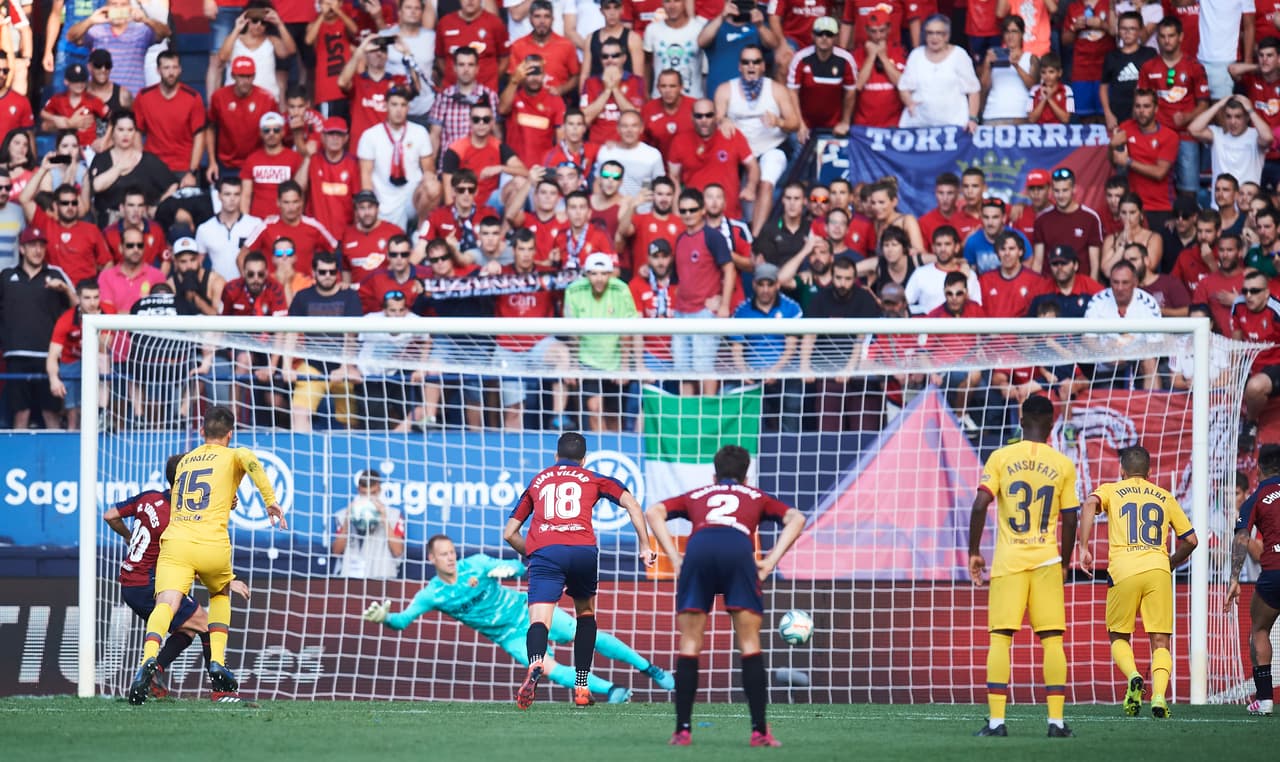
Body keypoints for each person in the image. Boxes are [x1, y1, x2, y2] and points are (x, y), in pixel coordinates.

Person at [362, 534, 674, 704]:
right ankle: (614, 692)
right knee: (550, 669)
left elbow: (524, 567)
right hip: (509, 636)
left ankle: (651, 669)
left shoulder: (478, 563)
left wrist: (512, 569)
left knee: (586, 636)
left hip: (530, 611)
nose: (451, 556)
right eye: (444, 554)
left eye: (452, 551)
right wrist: (385, 617)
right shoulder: (430, 594)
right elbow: (402, 622)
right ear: (431, 559)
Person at [646, 444, 806, 747]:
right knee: (748, 643)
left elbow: (654, 511)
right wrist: (770, 562)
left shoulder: (698, 494)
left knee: (690, 643)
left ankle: (682, 731)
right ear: (746, 478)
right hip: (738, 551)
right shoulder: (756, 496)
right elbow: (796, 518)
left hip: (699, 550)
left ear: (713, 474)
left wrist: (676, 559)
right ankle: (759, 732)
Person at [128, 405, 285, 705]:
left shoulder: (185, 461)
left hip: (176, 543)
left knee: (167, 603)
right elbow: (250, 461)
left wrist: (227, 499)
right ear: (230, 434)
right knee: (221, 593)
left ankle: (148, 658)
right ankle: (218, 662)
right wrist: (270, 501)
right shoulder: (233, 453)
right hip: (212, 543)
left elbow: (190, 501)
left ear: (202, 432)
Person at [502, 432, 656, 708]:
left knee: (539, 620)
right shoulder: (594, 478)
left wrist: (536, 555)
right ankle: (582, 687)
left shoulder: (538, 480)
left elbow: (509, 533)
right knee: (585, 615)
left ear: (555, 457)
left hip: (546, 553)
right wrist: (645, 545)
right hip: (584, 552)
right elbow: (632, 503)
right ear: (584, 460)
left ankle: (537, 661)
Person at [968, 394, 1079, 738]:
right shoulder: (1062, 463)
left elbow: (980, 504)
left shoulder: (1001, 457)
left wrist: (974, 551)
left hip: (1009, 561)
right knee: (1052, 640)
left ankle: (998, 723)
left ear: (1020, 419)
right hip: (1047, 559)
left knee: (1000, 638)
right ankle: (1056, 723)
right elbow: (1071, 515)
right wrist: (1065, 560)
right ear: (1051, 423)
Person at [104, 454, 251, 700]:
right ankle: (222, 692)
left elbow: (110, 515)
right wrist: (227, 581)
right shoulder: (179, 518)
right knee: (206, 625)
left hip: (130, 581)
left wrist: (129, 537)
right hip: (149, 583)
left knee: (189, 630)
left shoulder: (148, 497)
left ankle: (153, 673)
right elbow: (188, 563)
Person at [1078, 445, 1198, 719]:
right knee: (1160, 642)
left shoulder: (1111, 489)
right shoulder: (1164, 496)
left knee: (1118, 635)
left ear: (1122, 470)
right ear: (1149, 471)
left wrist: (1084, 547)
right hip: (1158, 570)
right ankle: (1158, 697)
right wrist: (1170, 561)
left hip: (1124, 569)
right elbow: (1191, 540)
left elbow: (1088, 505)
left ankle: (1133, 676)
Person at [715, 44, 798, 234]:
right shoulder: (726, 89)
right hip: (740, 152)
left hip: (772, 147)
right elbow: (716, 116)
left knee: (766, 182)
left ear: (763, 66)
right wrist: (723, 120)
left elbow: (794, 122)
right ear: (739, 66)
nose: (751, 66)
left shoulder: (776, 89)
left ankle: (756, 237)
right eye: (746, 62)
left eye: (756, 62)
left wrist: (778, 121)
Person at [1225, 442, 1280, 717]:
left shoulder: (1256, 497)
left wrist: (1234, 578)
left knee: (1259, 630)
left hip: (1273, 574)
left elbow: (1242, 537)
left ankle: (1265, 699)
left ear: (1259, 469)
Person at [0, 226, 74, 429]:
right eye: (32, 245)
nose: (37, 250)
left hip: (48, 356)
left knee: (51, 414)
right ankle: (15, 462)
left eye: (41, 245)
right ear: (22, 249)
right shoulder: (6, 276)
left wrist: (65, 289)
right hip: (16, 355)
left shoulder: (56, 274)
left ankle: (59, 461)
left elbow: (80, 308)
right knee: (20, 415)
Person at [898, 14, 981, 130]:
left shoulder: (959, 55)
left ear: (947, 36)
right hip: (919, 126)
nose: (934, 37)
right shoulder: (916, 55)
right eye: (930, 33)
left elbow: (973, 91)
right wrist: (909, 103)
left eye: (939, 33)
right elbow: (904, 87)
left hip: (954, 126)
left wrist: (973, 119)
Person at [1232, 269, 1280, 452]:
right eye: (1245, 291)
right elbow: (1235, 343)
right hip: (1250, 365)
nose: (1249, 296)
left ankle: (1250, 424)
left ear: (1267, 293)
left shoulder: (1276, 311)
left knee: (1254, 387)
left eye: (1255, 291)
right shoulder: (1238, 306)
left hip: (1275, 365)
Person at [1188, 94, 1273, 189]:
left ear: (1247, 118)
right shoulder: (1217, 134)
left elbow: (1268, 137)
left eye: (1238, 117)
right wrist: (1219, 105)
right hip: (1219, 202)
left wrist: (1250, 109)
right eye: (1228, 116)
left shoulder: (1255, 135)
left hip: (1247, 201)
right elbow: (1193, 129)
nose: (1233, 122)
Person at [331, 469, 405, 579]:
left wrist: (384, 519)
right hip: (350, 579)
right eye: (364, 494)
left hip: (382, 577)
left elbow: (398, 551)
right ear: (358, 490)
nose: (369, 498)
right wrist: (347, 520)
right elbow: (336, 552)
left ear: (379, 490)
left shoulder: (394, 515)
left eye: (373, 493)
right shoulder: (343, 514)